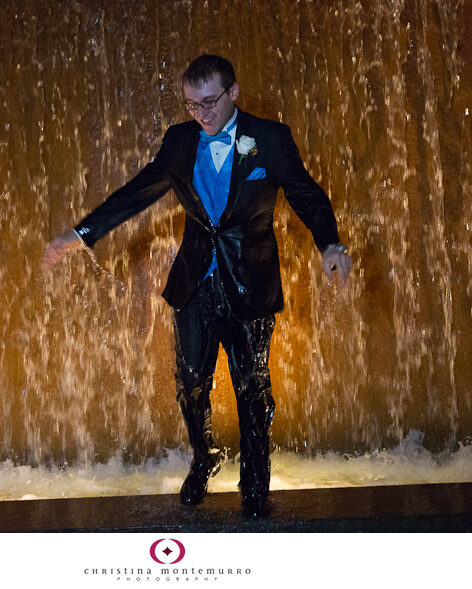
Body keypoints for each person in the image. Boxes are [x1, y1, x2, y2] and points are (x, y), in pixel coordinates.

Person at [44, 54, 351, 517]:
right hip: (194, 283)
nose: (201, 114)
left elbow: (306, 193)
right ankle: (203, 458)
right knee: (190, 383)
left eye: (210, 102)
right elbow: (136, 191)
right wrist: (80, 234)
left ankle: (254, 482)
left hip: (249, 283)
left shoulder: (269, 139)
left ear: (233, 93)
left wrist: (329, 244)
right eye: (191, 105)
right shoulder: (180, 141)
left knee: (251, 385)